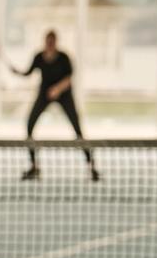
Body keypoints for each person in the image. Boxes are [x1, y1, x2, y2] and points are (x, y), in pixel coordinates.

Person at [18, 29, 99, 182]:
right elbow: (27, 73)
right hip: (44, 95)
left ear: (55, 42)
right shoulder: (39, 57)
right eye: (47, 41)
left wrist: (57, 89)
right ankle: (34, 166)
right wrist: (16, 71)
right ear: (45, 41)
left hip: (64, 95)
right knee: (29, 126)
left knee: (78, 130)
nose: (49, 44)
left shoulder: (63, 57)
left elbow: (69, 77)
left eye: (52, 41)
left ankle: (91, 166)